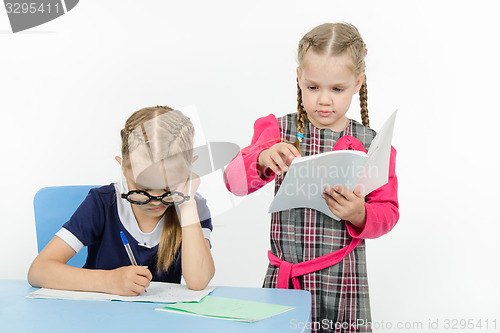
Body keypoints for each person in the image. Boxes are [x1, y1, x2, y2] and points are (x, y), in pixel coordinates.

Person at [224, 23, 399, 332]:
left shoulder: (372, 143)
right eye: (313, 87)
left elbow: (388, 211)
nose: (324, 100)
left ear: (358, 83)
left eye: (337, 89)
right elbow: (233, 182)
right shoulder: (278, 131)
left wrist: (360, 214)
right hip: (286, 282)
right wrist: (263, 158)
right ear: (299, 79)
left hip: (344, 282)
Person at [28, 106, 215, 295]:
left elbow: (198, 281)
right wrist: (108, 281)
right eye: (143, 188)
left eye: (168, 187)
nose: (156, 200)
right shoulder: (102, 204)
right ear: (124, 168)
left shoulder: (193, 207)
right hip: (97, 317)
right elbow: (39, 271)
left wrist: (187, 205)